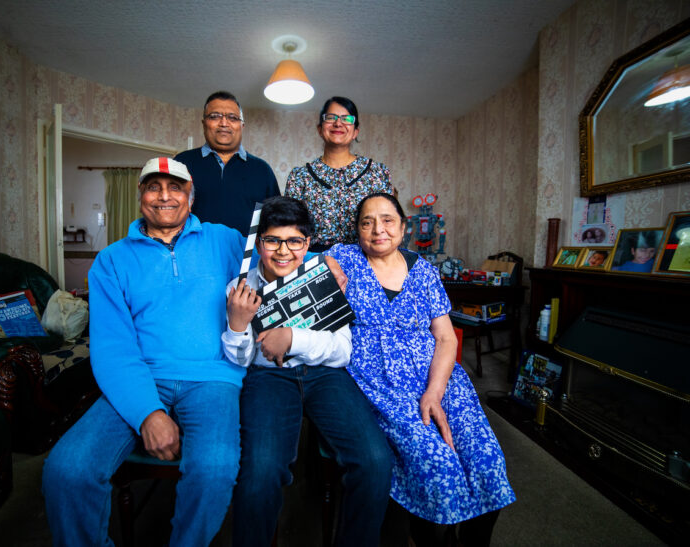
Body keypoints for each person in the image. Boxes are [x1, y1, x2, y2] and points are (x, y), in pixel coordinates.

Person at [42, 157, 247, 547]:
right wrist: (148, 413)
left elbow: (279, 256)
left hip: (212, 378)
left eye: (175, 187)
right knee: (66, 469)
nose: (165, 196)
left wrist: (326, 264)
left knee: (215, 468)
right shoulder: (111, 261)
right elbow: (113, 347)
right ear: (141, 196)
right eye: (154, 186)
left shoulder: (226, 240)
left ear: (191, 196)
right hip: (140, 377)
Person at [326, 193, 516, 546]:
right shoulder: (343, 258)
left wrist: (434, 391)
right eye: (367, 222)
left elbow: (446, 339)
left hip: (440, 379)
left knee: (487, 462)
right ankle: (431, 538)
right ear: (357, 231)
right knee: (436, 462)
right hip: (382, 384)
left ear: (404, 227)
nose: (377, 229)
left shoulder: (424, 271)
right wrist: (324, 263)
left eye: (387, 220)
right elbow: (296, 259)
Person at [223, 196, 393, 547]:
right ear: (259, 243)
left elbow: (342, 350)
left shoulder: (324, 277)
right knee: (260, 472)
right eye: (273, 240)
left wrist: (293, 338)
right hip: (267, 378)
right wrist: (238, 327)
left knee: (375, 460)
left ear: (308, 242)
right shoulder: (239, 288)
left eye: (295, 241)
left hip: (325, 376)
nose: (283, 251)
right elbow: (241, 361)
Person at [285, 96, 394, 251]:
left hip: (367, 261)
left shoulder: (377, 172)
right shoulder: (300, 177)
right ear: (320, 129)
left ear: (356, 131)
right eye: (331, 118)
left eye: (346, 118)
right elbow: (290, 231)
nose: (338, 123)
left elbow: (388, 225)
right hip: (315, 264)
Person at [175, 91, 280, 236]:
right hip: (193, 255)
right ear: (204, 123)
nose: (224, 123)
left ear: (242, 125)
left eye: (232, 118)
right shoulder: (181, 164)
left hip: (246, 257)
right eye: (214, 116)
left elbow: (276, 222)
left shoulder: (262, 170)